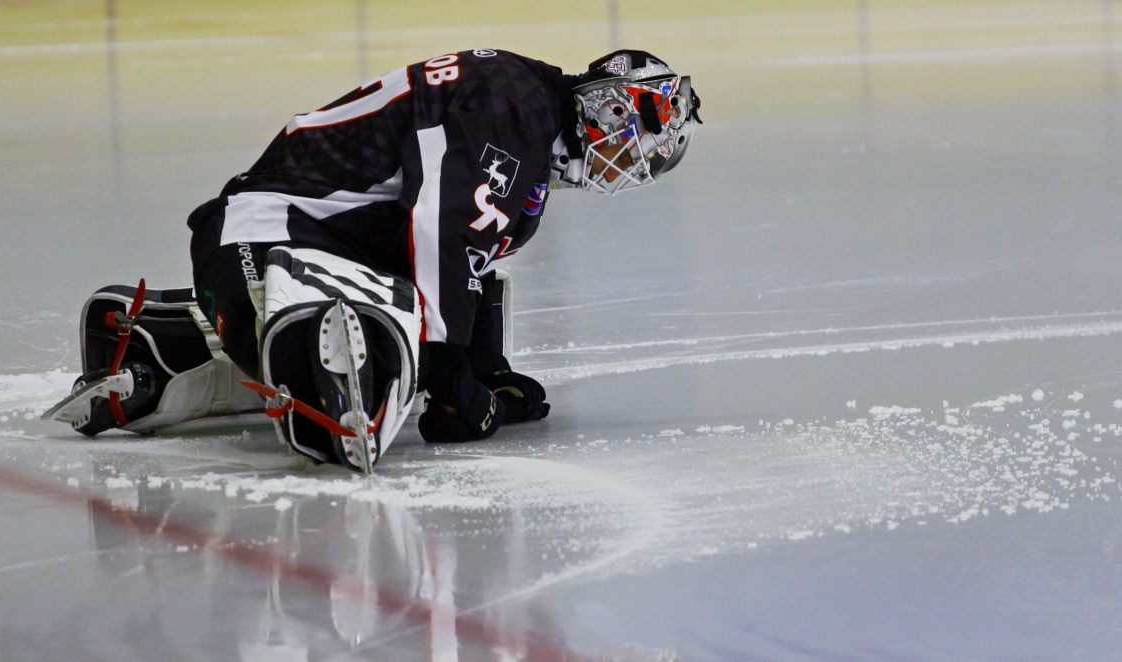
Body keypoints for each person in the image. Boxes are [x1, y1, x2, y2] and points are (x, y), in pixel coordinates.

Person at [44, 48, 701, 472]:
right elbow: (439, 220)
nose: (630, 160)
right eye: (635, 132)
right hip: (262, 231)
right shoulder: (515, 105)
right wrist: (446, 369)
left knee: (335, 325)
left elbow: (463, 256)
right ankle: (270, 361)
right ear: (607, 99)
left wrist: (482, 369)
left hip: (313, 251)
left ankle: (163, 342)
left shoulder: (527, 146)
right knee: (310, 341)